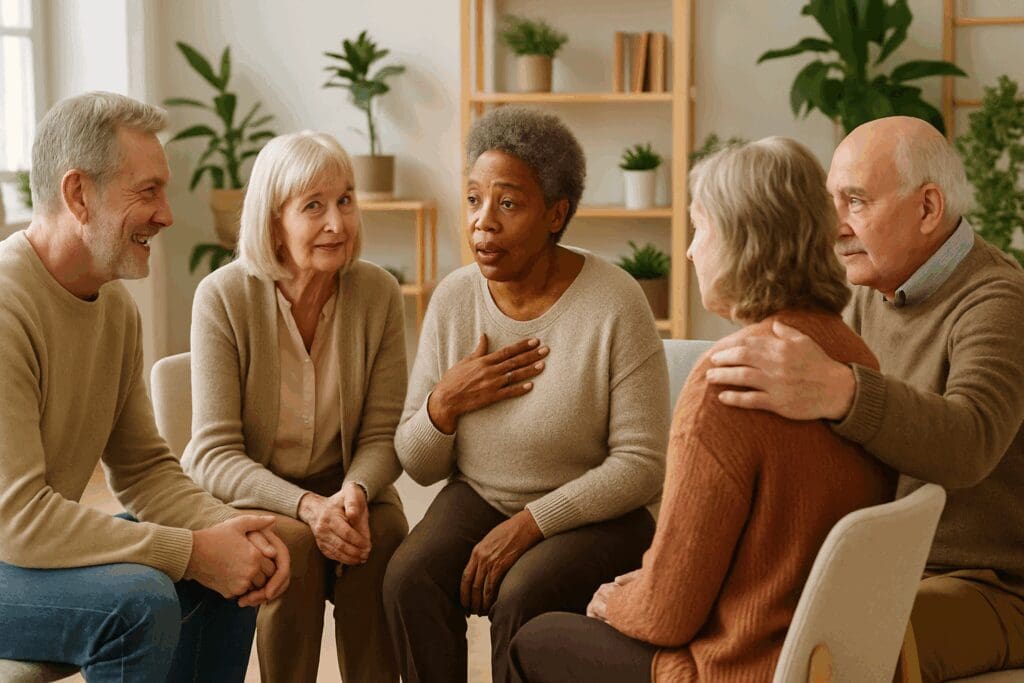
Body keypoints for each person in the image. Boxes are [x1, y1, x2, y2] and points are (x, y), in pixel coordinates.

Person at [509, 137, 898, 682]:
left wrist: (615, 602)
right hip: (823, 663)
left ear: (744, 241)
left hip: (738, 668)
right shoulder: (852, 357)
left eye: (700, 228)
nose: (690, 251)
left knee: (537, 639)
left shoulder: (727, 384)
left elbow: (666, 616)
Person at [705, 116, 1024, 681]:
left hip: (985, 585)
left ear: (928, 209)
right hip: (865, 568)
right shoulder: (863, 291)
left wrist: (841, 390)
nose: (836, 226)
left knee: (838, 644)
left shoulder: (998, 299)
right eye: (832, 202)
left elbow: (971, 442)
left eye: (855, 201)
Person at [0, 91, 290, 682]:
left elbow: (144, 470)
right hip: (10, 545)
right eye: (148, 190)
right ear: (78, 194)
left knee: (226, 574)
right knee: (142, 601)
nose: (167, 214)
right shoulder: (6, 308)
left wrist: (227, 534)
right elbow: (20, 520)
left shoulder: (114, 308)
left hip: (26, 551)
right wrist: (191, 551)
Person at [382, 106, 669, 683]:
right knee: (407, 577)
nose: (483, 223)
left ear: (555, 214)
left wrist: (531, 523)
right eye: (472, 200)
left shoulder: (615, 302)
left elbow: (642, 466)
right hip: (480, 496)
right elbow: (417, 466)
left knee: (522, 595)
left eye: (508, 204)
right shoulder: (455, 298)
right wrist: (444, 404)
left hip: (599, 516)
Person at [182, 130, 408, 683]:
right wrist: (307, 505)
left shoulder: (378, 293)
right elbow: (212, 455)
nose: (338, 222)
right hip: (255, 492)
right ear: (273, 220)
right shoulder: (223, 297)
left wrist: (352, 493)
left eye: (346, 200)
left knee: (382, 539)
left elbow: (385, 434)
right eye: (314, 206)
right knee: (295, 546)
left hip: (346, 482)